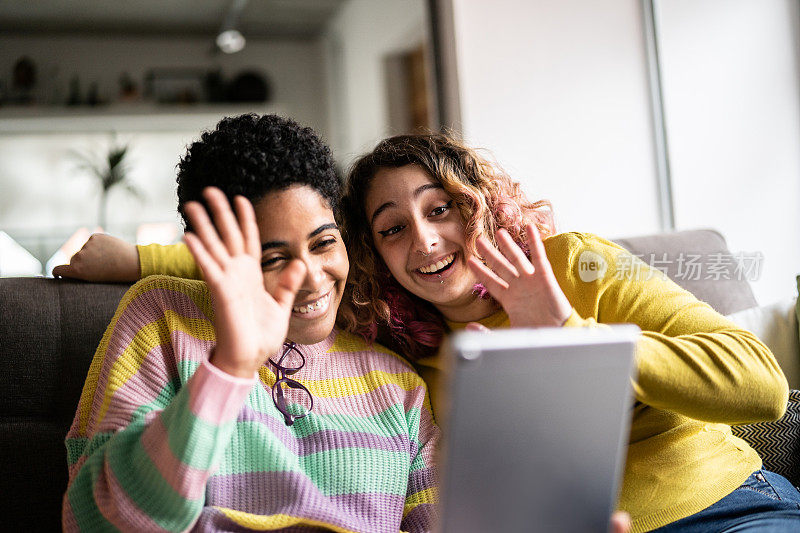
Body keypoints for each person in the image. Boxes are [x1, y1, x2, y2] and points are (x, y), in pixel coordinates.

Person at [335, 133, 800, 532]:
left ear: (475, 205)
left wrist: (569, 332)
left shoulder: (575, 265)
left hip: (726, 509)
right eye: (393, 228)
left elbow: (763, 388)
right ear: (375, 255)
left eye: (439, 209)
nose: (424, 240)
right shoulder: (401, 357)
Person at [61, 115, 438, 532]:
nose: (312, 278)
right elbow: (99, 520)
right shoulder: (164, 320)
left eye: (324, 243)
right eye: (272, 259)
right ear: (215, 259)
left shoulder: (399, 384)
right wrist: (229, 369)